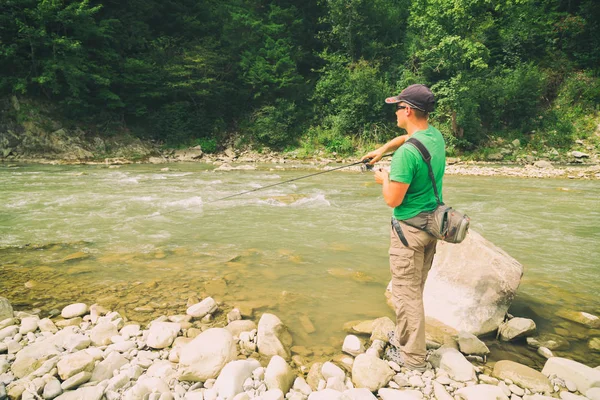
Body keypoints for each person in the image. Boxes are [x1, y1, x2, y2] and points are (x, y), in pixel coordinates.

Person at [361, 84, 445, 371]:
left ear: (407, 110)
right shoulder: (433, 137)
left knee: (405, 295)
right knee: (414, 290)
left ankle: (412, 360)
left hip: (408, 233)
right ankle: (410, 341)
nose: (395, 112)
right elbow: (406, 138)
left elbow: (392, 199)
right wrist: (382, 150)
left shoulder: (406, 156)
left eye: (397, 107)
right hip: (431, 227)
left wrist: (382, 178)